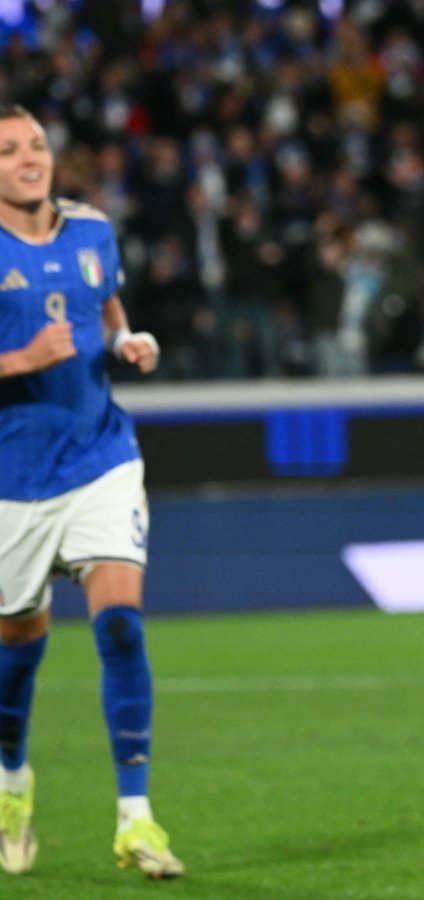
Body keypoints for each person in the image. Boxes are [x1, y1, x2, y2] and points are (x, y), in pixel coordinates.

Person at [0, 105, 183, 878]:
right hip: (13, 481)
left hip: (100, 457)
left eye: (36, 144)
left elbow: (104, 307)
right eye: (8, 151)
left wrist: (123, 338)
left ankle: (136, 820)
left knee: (120, 628)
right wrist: (19, 360)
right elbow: (36, 344)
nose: (29, 158)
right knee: (16, 650)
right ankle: (11, 782)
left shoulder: (91, 230)